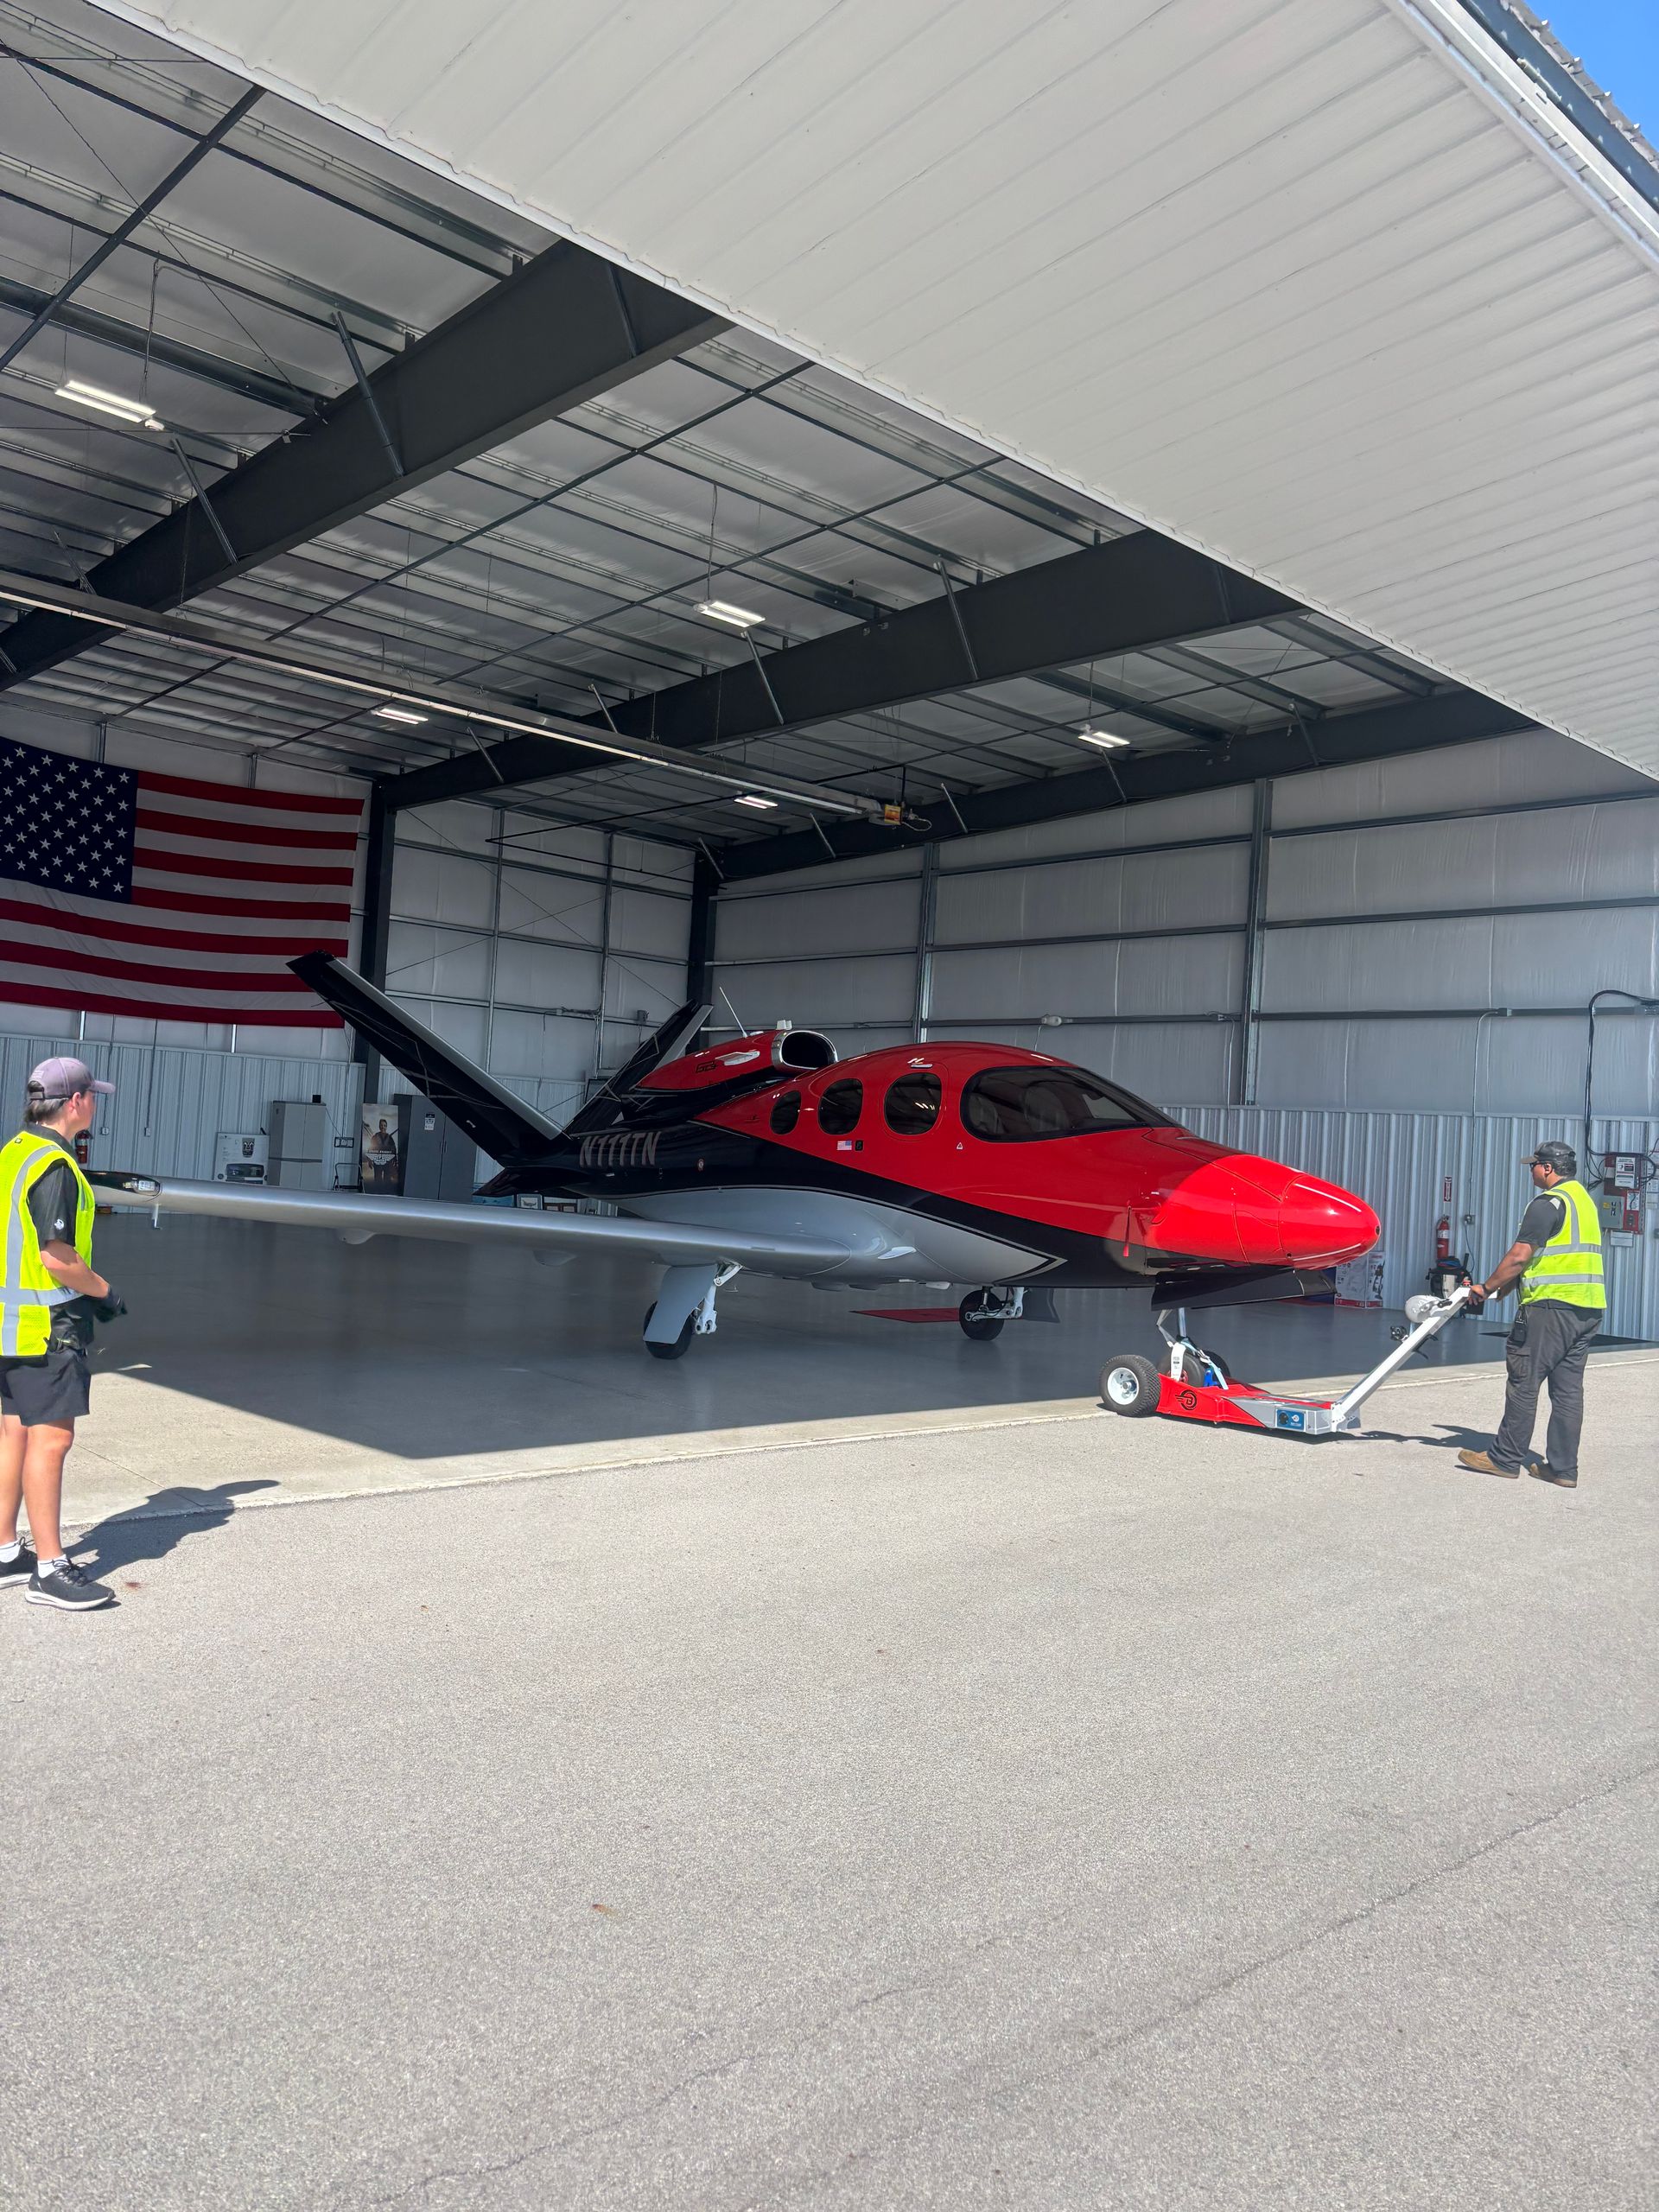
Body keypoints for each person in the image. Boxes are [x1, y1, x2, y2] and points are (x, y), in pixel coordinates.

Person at [0, 1058, 127, 1610]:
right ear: (73, 1102)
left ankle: (5, 1549)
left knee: (14, 1435)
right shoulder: (55, 1165)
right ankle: (50, 1569)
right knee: (52, 1439)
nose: (96, 1103)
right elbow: (57, 1259)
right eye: (92, 1095)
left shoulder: (13, 1153)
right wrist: (102, 1292)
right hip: (48, 1325)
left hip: (9, 1322)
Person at [1457, 1141, 1604, 1488]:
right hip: (1587, 1309)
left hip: (1549, 1310)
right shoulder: (1583, 1202)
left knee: (1524, 1381)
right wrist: (1506, 1287)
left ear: (1548, 1169)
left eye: (1533, 1165)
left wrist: (1486, 1288)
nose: (1531, 1171)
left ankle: (1504, 1459)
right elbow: (1548, 1258)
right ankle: (1563, 1469)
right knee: (1568, 1392)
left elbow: (1521, 1256)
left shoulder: (1547, 1203)